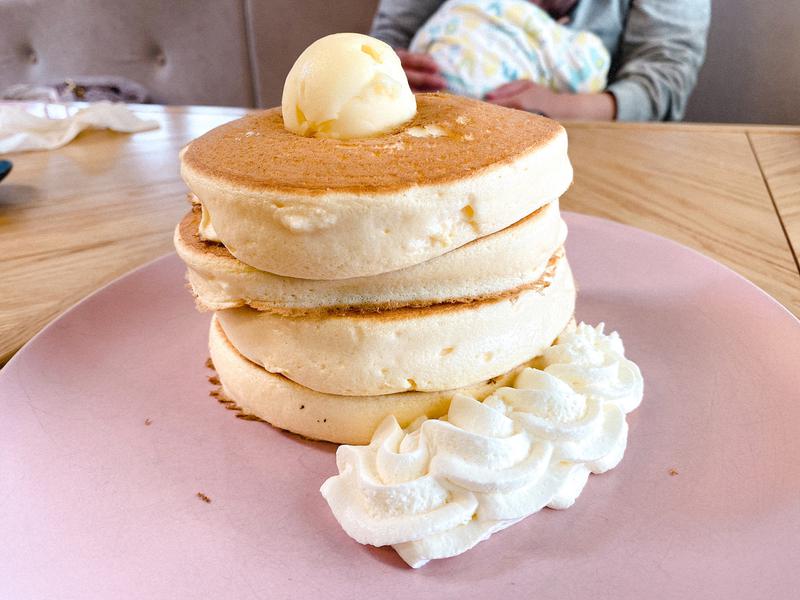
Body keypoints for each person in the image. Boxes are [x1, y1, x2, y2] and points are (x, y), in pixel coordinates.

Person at [370, 0, 711, 121]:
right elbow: (389, 36)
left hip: (595, 141)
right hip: (432, 121)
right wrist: (387, 72)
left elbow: (664, 82)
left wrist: (555, 106)